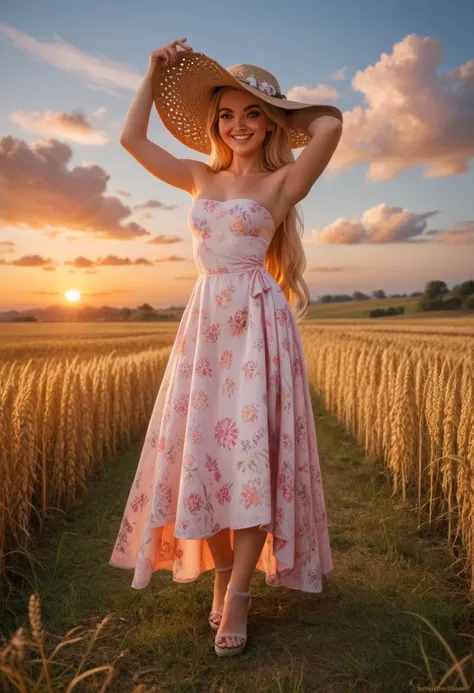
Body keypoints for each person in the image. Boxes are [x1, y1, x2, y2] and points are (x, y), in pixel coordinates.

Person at [109, 37, 343, 658]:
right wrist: (151, 70)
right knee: (204, 458)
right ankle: (219, 578)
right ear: (213, 125)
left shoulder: (282, 182)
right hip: (205, 325)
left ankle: (238, 593)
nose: (237, 125)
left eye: (251, 114)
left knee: (250, 458)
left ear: (269, 121)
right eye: (226, 114)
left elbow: (331, 123)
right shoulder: (197, 177)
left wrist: (279, 106)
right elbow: (132, 141)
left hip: (258, 329)